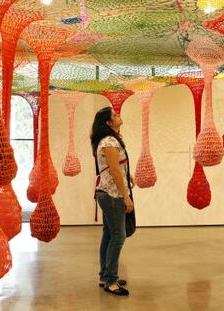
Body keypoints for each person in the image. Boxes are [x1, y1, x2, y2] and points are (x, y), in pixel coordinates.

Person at [90, 106, 135, 296]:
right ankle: (111, 281)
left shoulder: (111, 139)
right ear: (108, 123)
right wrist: (126, 197)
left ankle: (105, 274)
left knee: (109, 234)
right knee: (118, 236)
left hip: (109, 192)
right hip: (112, 194)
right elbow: (114, 170)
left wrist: (128, 175)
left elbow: (116, 166)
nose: (119, 116)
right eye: (115, 115)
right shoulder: (109, 141)